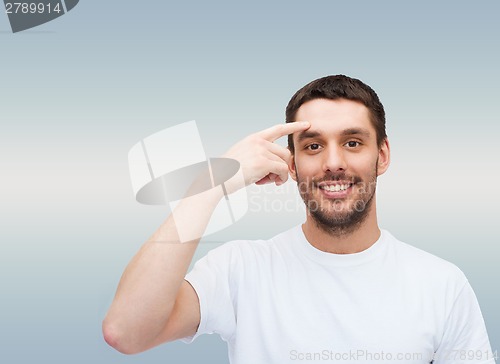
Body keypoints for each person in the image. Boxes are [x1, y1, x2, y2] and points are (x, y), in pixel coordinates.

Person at [103, 75, 495, 363]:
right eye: (313, 146)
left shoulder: (442, 284)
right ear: (291, 163)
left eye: (353, 142)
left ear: (383, 155)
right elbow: (127, 332)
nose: (334, 163)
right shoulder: (241, 269)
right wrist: (212, 183)